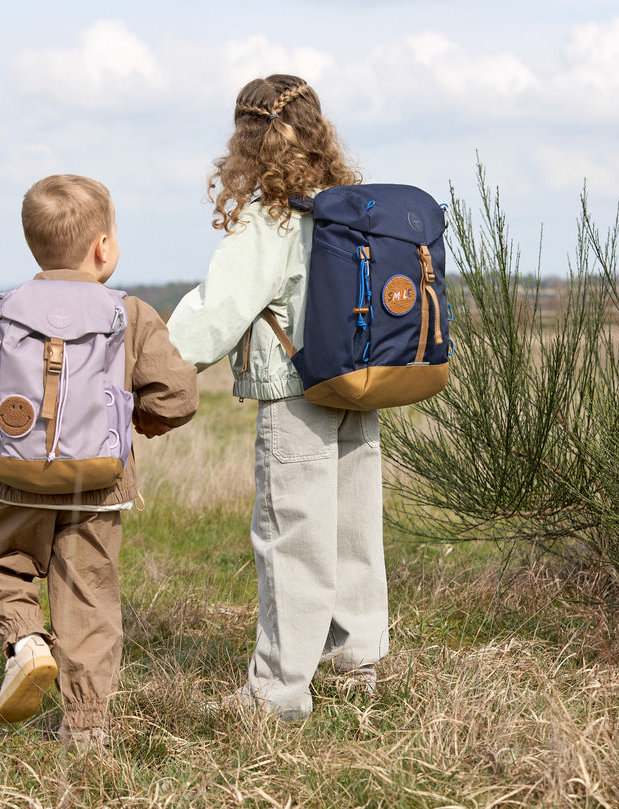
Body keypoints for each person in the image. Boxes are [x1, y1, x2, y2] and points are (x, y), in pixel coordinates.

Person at [0, 174, 198, 749]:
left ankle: (26, 642)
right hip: (95, 486)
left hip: (7, 479)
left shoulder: (0, 311)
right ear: (104, 247)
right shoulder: (131, 313)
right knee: (89, 597)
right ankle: (87, 729)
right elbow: (179, 394)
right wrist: (139, 421)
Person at [167, 74, 387, 721]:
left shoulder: (271, 219)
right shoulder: (351, 209)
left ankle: (276, 695)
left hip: (297, 393)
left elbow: (215, 314)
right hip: (360, 387)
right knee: (352, 532)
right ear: (320, 131)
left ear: (247, 138)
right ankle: (356, 669)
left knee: (292, 539)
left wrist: (144, 363)